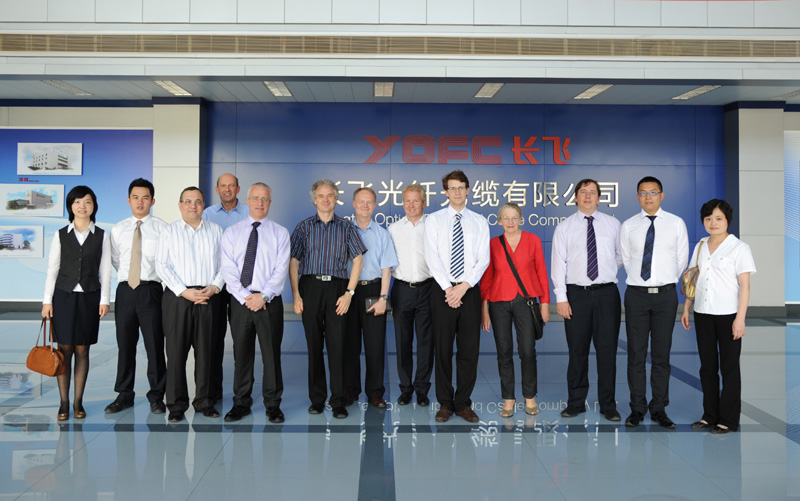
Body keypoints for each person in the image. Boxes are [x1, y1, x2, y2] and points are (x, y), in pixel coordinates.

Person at [289, 179, 366, 419]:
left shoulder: (346, 227)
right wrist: (296, 295)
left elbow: (358, 261)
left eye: (330, 195)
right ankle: (317, 399)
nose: (325, 199)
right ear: (314, 200)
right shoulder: (303, 227)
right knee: (314, 346)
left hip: (337, 289)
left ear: (336, 199)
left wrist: (349, 293)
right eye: (321, 196)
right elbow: (294, 262)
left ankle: (339, 400)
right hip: (310, 287)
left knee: (338, 347)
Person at [681, 199, 756, 435]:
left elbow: (745, 286)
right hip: (703, 314)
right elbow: (693, 278)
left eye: (718, 218)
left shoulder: (739, 248)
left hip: (728, 315)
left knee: (729, 368)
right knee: (707, 367)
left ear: (727, 220)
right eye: (708, 219)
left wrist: (740, 319)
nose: (713, 223)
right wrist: (687, 306)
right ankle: (709, 415)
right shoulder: (701, 245)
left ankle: (728, 419)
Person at [619, 176, 688, 428]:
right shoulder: (628, 226)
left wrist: (663, 282)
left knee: (661, 355)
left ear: (662, 195)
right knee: (636, 355)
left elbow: (681, 260)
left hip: (665, 296)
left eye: (653, 192)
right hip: (636, 295)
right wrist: (642, 281)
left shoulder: (676, 223)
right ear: (637, 196)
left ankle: (659, 408)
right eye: (643, 193)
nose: (648, 197)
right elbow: (627, 259)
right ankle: (637, 408)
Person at [551, 178, 622, 421]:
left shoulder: (613, 225)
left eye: (592, 192)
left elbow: (620, 256)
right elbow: (558, 264)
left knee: (607, 351)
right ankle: (576, 402)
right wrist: (561, 297)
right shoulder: (564, 227)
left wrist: (605, 272)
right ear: (576, 197)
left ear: (599, 197)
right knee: (577, 350)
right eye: (583, 192)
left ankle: (608, 404)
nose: (588, 196)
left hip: (606, 294)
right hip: (576, 295)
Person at [220, 183, 290, 423]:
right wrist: (245, 298)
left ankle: (273, 404)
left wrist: (264, 296)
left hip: (269, 302)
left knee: (271, 355)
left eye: (265, 199)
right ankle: (241, 402)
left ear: (270, 202)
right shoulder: (232, 232)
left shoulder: (280, 233)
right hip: (241, 303)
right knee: (241, 354)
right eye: (256, 198)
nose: (260, 203)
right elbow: (228, 270)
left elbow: (281, 269)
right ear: (248, 201)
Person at [424, 170, 490, 423]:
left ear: (468, 190)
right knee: (442, 349)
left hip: (469, 292)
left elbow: (483, 259)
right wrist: (448, 288)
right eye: (452, 188)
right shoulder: (434, 220)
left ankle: (462, 403)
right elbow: (432, 257)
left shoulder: (479, 221)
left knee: (468, 350)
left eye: (461, 187)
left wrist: (463, 287)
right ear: (445, 192)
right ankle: (445, 403)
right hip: (442, 291)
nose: (457, 192)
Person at [155, 186, 225, 423]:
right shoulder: (169, 231)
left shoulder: (216, 230)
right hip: (178, 298)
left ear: (203, 205)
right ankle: (176, 405)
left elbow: (225, 265)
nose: (192, 206)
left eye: (197, 201)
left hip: (208, 296)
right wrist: (183, 291)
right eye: (187, 201)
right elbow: (162, 265)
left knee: (206, 353)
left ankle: (204, 402)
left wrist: (214, 287)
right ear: (180, 205)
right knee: (176, 353)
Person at [42, 185, 111, 421]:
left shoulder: (102, 235)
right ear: (70, 206)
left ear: (94, 206)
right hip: (63, 297)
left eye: (87, 202)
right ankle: (63, 402)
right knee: (64, 350)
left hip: (90, 297)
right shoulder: (61, 234)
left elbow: (105, 271)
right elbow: (52, 269)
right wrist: (47, 301)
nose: (82, 206)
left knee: (83, 349)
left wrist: (104, 300)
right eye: (77, 202)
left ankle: (78, 402)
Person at [105, 178, 168, 416]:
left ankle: (157, 396)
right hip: (125, 291)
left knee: (154, 346)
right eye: (135, 197)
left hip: (151, 290)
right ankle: (124, 395)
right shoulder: (118, 229)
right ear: (128, 200)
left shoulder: (162, 228)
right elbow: (115, 259)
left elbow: (167, 260)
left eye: (145, 198)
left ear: (153, 201)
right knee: (125, 345)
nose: (140, 202)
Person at [480, 203, 550, 418]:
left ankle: (530, 396)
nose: (510, 222)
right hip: (498, 302)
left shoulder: (533, 240)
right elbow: (487, 278)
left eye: (514, 217)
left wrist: (545, 303)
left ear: (521, 219)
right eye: (506, 218)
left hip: (525, 301)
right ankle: (508, 398)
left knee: (527, 351)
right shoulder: (493, 244)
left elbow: (541, 271)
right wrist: (484, 310)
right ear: (499, 220)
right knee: (504, 352)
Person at [344, 187, 398, 409]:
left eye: (369, 202)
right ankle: (350, 391)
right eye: (361, 202)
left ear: (375, 206)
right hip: (349, 292)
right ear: (354, 204)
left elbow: (387, 269)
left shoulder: (382, 234)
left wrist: (383, 298)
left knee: (375, 346)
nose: (365, 206)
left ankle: (375, 393)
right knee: (350, 344)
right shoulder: (344, 230)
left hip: (374, 291)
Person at [202, 173, 247, 404]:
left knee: (242, 341)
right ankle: (213, 392)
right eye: (223, 186)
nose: (227, 189)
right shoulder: (207, 214)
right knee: (213, 340)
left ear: (238, 189)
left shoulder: (249, 213)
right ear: (217, 189)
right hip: (216, 286)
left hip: (242, 286)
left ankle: (242, 393)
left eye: (231, 186)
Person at [388, 184, 434, 407]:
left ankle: (422, 389)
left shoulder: (434, 226)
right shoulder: (393, 229)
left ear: (423, 203)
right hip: (402, 289)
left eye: (416, 200)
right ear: (402, 202)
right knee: (402, 341)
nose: (411, 205)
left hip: (429, 288)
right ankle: (406, 389)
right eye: (407, 200)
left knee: (426, 342)